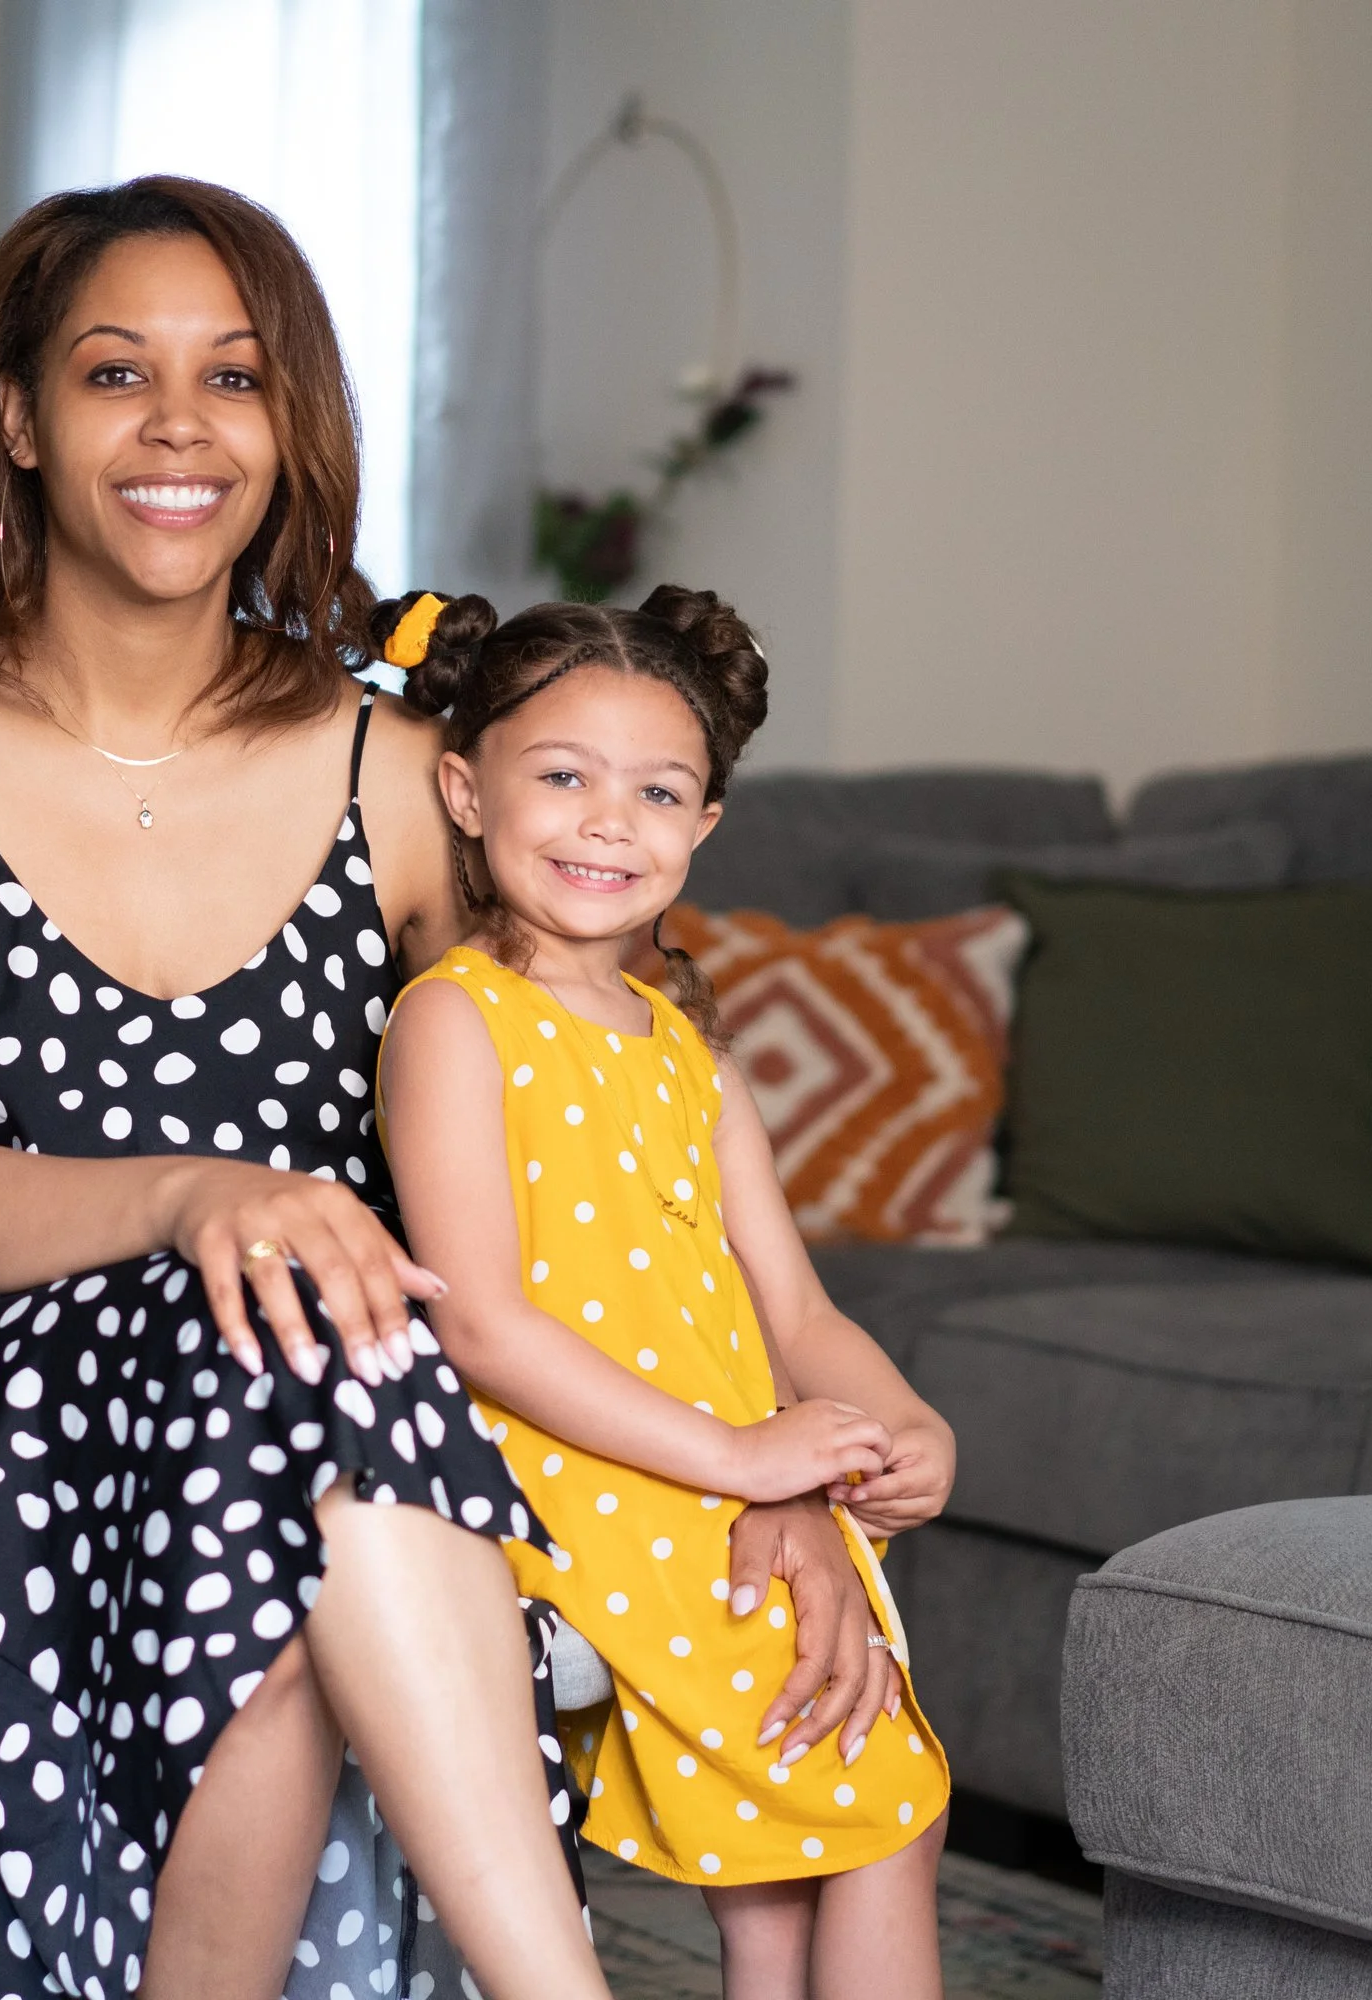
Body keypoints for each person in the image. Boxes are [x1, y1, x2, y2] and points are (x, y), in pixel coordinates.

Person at [0, 173, 902, 2000]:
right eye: (116, 374)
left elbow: (609, 1158)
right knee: (279, 1359)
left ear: (290, 427)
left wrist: (785, 1484)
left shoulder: (398, 765)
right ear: (17, 420)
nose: (178, 430)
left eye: (236, 378)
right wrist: (195, 1194)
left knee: (282, 1394)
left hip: (325, 1377)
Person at [373, 586, 956, 2000]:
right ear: (465, 788)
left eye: (657, 792)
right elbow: (483, 1321)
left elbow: (799, 1315)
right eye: (561, 777)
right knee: (890, 1807)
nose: (603, 821)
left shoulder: (688, 1054)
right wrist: (743, 1459)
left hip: (724, 1466)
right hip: (584, 1467)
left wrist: (897, 1420)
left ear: (701, 829)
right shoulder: (454, 1019)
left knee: (776, 1890)